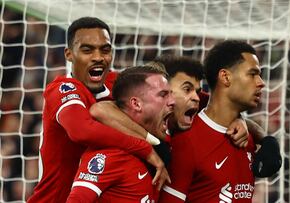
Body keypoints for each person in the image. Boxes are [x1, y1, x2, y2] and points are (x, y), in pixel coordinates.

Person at [27, 17, 167, 203]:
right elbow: (82, 131)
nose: (98, 57)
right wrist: (146, 148)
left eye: (105, 49)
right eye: (87, 50)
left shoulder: (117, 84)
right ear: (69, 54)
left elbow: (168, 92)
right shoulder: (63, 89)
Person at [158, 40, 274, 202]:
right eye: (252, 74)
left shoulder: (245, 137)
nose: (261, 83)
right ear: (225, 77)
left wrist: (266, 139)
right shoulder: (186, 141)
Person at [66, 65, 174, 202]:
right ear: (136, 104)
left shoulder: (162, 145)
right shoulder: (110, 155)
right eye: (163, 95)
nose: (172, 102)